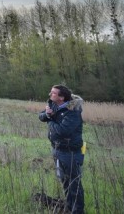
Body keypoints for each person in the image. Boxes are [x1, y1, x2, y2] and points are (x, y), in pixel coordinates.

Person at [39, 84, 85, 214]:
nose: (50, 94)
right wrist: (47, 115)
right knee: (65, 182)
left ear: (62, 97)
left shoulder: (73, 112)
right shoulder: (53, 104)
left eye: (53, 93)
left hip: (70, 153)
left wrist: (50, 119)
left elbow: (62, 131)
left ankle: (78, 211)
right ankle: (70, 208)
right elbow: (41, 116)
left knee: (74, 185)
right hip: (57, 150)